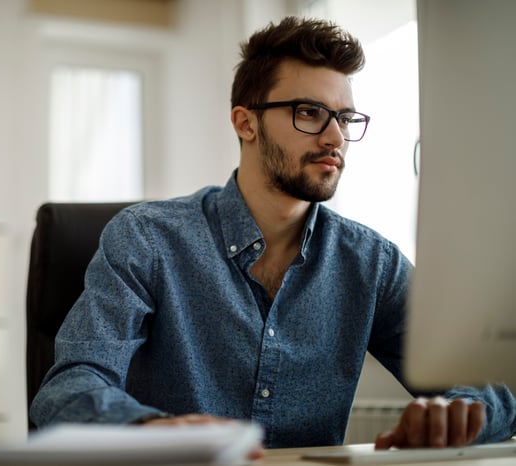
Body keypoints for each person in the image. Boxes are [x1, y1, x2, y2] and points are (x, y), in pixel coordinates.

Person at [30, 16, 516, 450]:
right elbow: (67, 390)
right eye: (309, 112)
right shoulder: (147, 239)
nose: (335, 138)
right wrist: (147, 429)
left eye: (345, 118)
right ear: (246, 123)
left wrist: (463, 414)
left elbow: (490, 389)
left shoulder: (372, 263)